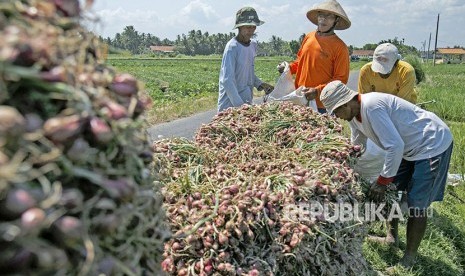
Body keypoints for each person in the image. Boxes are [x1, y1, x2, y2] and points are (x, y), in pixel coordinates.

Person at [320, 80, 453, 268]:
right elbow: (358, 145)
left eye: (336, 112)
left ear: (346, 103)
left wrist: (382, 180)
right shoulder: (354, 117)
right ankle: (392, 238)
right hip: (408, 146)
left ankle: (409, 258)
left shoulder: (372, 107)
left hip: (431, 143)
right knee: (393, 190)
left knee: (417, 203)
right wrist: (344, 164)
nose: (337, 117)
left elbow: (395, 146)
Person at [277, 0, 351, 113]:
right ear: (317, 17)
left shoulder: (340, 47)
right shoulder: (309, 37)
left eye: (329, 16)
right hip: (299, 98)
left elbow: (340, 80)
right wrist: (288, 68)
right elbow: (300, 62)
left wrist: (317, 91)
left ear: (336, 20)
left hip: (322, 104)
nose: (323, 19)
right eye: (321, 15)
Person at [217, 7, 273, 112]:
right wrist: (240, 107)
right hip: (230, 105)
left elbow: (248, 72)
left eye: (253, 27)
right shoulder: (232, 47)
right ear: (240, 27)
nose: (251, 30)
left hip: (246, 101)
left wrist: (260, 84)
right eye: (247, 27)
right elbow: (227, 80)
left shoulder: (252, 45)